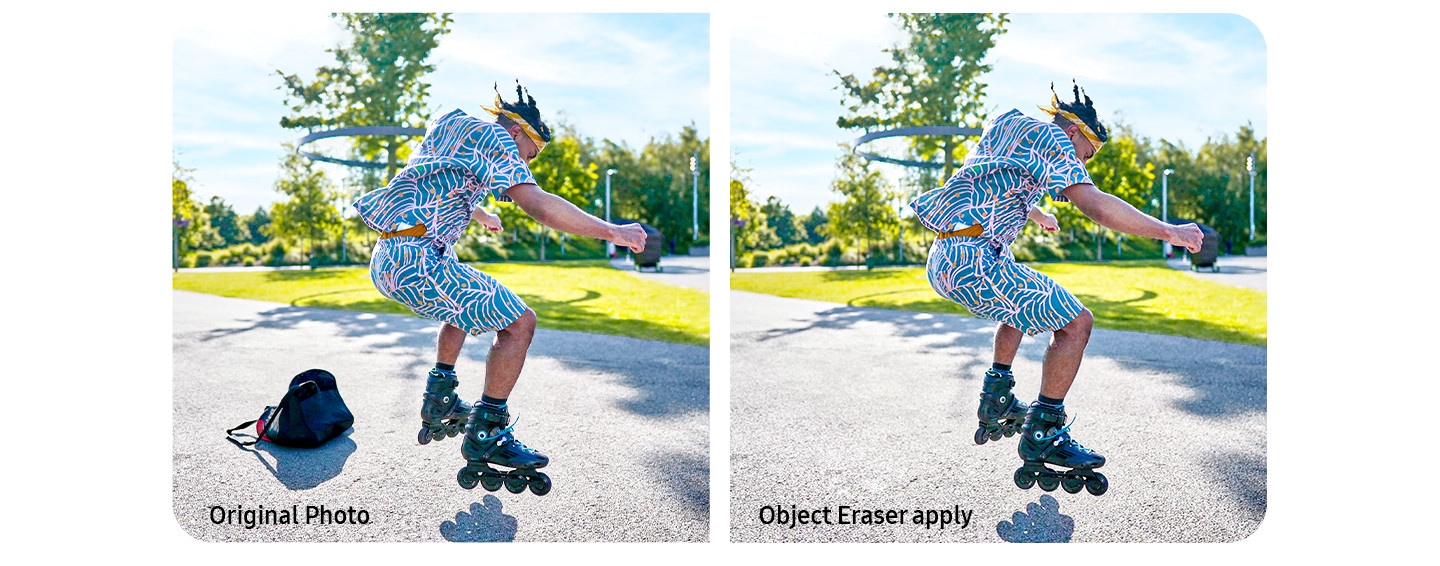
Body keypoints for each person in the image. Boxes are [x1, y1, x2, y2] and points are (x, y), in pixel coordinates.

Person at [909, 82, 1203, 496]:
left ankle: (997, 394)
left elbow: (989, 177)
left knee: (1019, 303)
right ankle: (1045, 431)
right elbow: (1096, 204)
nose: (1083, 162)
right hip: (972, 260)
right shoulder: (1053, 139)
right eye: (1087, 152)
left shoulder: (1008, 122)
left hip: (947, 256)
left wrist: (1036, 210)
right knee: (1076, 323)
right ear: (1074, 131)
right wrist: (1169, 231)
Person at [353, 82, 647, 495]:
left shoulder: (450, 123)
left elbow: (429, 179)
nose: (527, 162)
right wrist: (612, 231)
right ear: (517, 132)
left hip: (390, 257)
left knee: (462, 302)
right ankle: (488, 431)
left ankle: (441, 395)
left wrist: (479, 211)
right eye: (530, 152)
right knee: (519, 324)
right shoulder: (496, 138)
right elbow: (539, 205)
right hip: (415, 261)